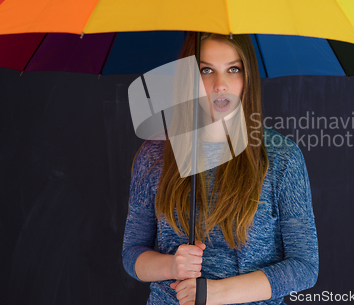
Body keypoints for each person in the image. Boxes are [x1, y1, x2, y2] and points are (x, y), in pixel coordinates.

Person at [122, 32, 319, 305]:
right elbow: (132, 254)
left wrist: (215, 293)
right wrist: (170, 266)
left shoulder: (282, 158)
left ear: (247, 76)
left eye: (233, 69)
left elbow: (305, 267)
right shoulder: (155, 155)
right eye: (206, 70)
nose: (220, 85)